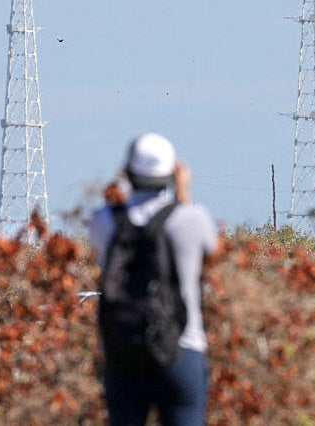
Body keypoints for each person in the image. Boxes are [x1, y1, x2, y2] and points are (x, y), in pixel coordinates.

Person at [89, 133, 219, 426]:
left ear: (128, 172)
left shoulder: (104, 221)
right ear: (173, 172)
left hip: (123, 350)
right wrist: (183, 193)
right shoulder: (191, 218)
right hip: (180, 346)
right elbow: (212, 253)